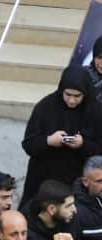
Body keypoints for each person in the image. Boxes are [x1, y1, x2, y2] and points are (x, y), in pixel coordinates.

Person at [22, 66, 102, 202]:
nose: (72, 101)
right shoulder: (46, 106)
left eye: (77, 96)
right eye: (68, 94)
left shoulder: (95, 112)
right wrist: (48, 141)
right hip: (43, 179)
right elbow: (28, 144)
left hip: (78, 182)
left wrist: (83, 144)